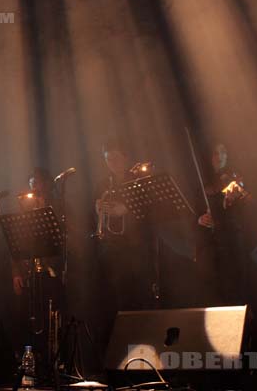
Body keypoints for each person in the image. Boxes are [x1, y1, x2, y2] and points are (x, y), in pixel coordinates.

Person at [93, 139, 157, 353]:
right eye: (108, 159)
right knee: (113, 302)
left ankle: (141, 350)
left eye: (116, 158)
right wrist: (99, 209)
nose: (112, 163)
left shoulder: (138, 180)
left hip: (136, 250)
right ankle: (115, 352)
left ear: (126, 158)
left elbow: (151, 213)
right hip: (112, 249)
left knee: (136, 300)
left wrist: (126, 210)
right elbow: (98, 215)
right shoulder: (104, 184)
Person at [11, 167, 65, 373]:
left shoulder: (59, 208)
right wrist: (16, 273)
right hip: (29, 273)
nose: (36, 188)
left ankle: (53, 360)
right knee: (27, 317)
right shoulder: (24, 213)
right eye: (33, 184)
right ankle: (30, 360)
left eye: (39, 183)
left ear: (48, 185)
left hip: (52, 272)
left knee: (51, 316)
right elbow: (15, 247)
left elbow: (65, 242)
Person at [196, 143, 249, 306]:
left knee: (232, 283)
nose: (219, 157)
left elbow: (244, 205)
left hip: (229, 238)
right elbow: (193, 209)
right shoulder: (201, 180)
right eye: (215, 153)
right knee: (210, 285)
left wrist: (233, 199)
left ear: (227, 156)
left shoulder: (234, 177)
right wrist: (199, 219)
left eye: (223, 153)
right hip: (209, 241)